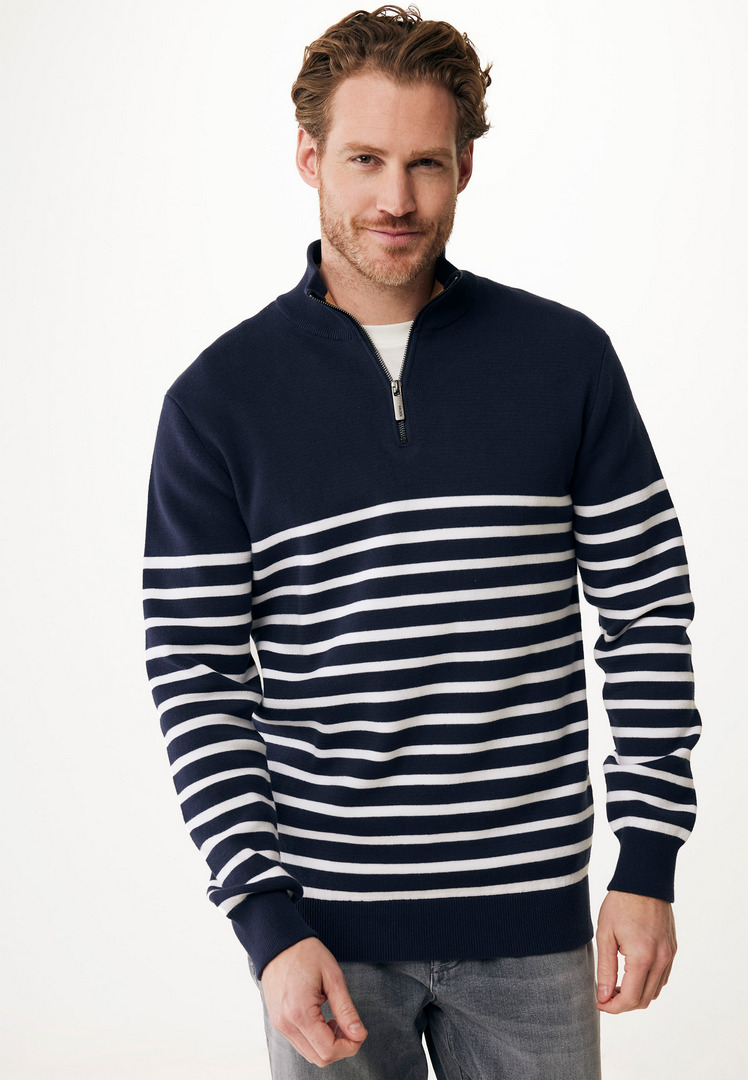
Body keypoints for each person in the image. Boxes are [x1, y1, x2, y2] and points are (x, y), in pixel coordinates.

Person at [143, 6, 700, 1077]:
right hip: (324, 940)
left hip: (536, 929)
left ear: (465, 167)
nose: (395, 199)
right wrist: (263, 919)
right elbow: (197, 674)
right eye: (364, 159)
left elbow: (644, 612)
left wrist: (647, 858)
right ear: (308, 157)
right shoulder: (218, 403)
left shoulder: (565, 361)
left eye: (425, 164)